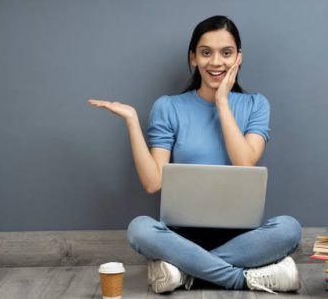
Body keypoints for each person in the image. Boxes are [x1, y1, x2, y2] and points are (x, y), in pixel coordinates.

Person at [88, 15, 302, 294]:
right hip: (180, 238)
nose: (216, 62)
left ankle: (183, 272)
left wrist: (223, 101)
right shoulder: (168, 107)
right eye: (205, 53)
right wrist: (131, 121)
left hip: (243, 238)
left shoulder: (255, 104)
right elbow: (153, 183)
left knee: (290, 229)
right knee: (139, 229)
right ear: (193, 58)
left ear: (238, 57)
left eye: (226, 53)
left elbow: (245, 161)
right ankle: (243, 279)